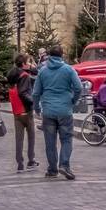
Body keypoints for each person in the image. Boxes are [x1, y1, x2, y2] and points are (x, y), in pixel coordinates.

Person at [32, 43, 82, 180]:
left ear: (49, 55)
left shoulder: (43, 71)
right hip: (65, 109)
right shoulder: (68, 70)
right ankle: (64, 165)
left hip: (48, 110)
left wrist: (37, 108)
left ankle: (52, 169)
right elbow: (78, 88)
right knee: (66, 139)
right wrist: (73, 101)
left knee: (50, 142)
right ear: (62, 55)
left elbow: (36, 93)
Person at [7, 54, 39, 172]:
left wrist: (30, 67)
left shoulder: (11, 74)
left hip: (16, 110)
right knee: (31, 137)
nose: (29, 64)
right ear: (23, 64)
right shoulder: (24, 76)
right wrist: (33, 102)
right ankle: (31, 161)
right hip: (26, 109)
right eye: (28, 62)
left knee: (19, 139)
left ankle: (19, 163)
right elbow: (23, 92)